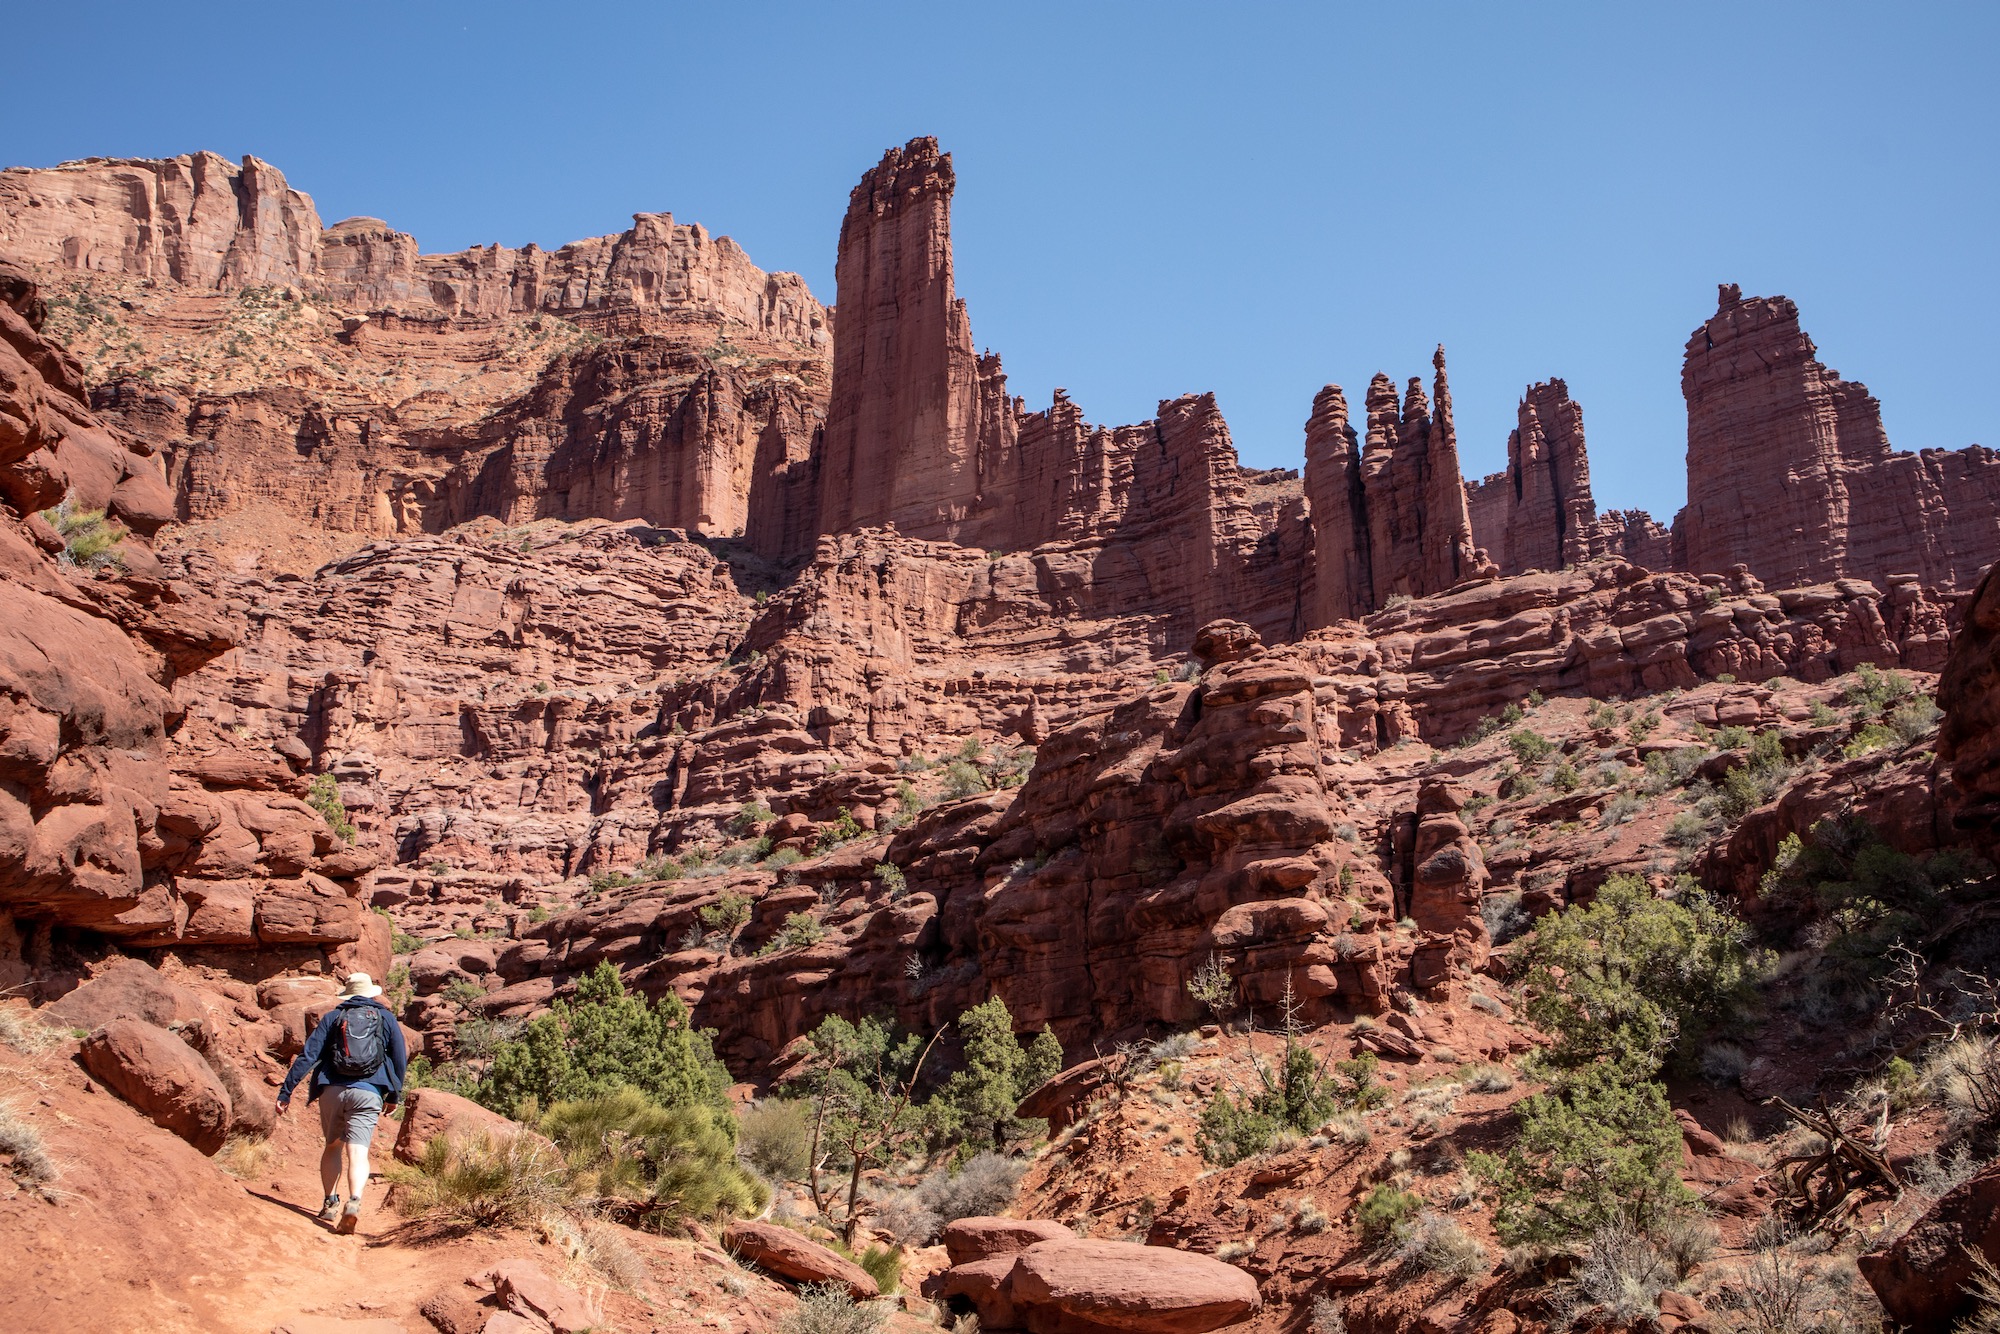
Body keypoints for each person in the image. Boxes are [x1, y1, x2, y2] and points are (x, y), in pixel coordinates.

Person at [278, 972, 408, 1233]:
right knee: (358, 1151)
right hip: (369, 1091)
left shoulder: (333, 1017)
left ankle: (330, 1203)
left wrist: (286, 1090)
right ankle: (355, 1200)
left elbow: (308, 1055)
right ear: (372, 993)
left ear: (347, 993)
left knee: (333, 1147)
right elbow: (398, 1058)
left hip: (332, 1090)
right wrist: (394, 1094)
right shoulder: (385, 1017)